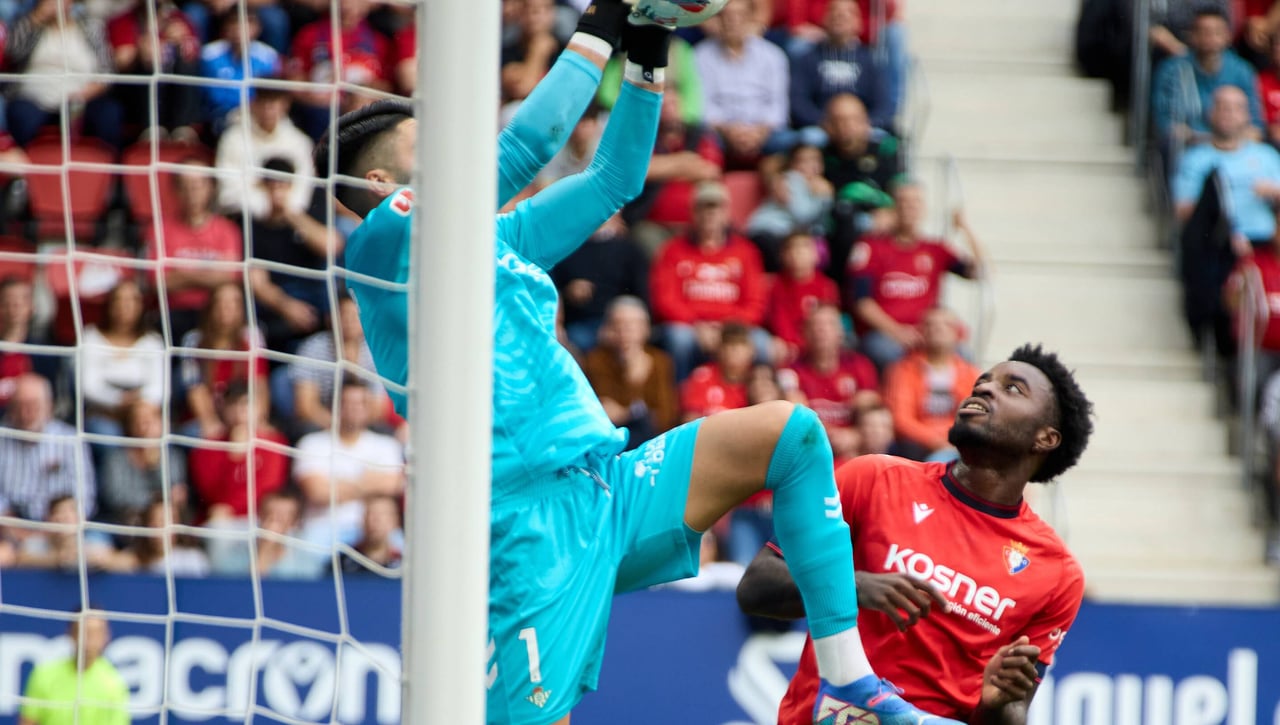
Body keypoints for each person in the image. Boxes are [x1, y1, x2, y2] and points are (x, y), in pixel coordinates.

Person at [320, 3, 961, 723]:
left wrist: (648, 52)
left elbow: (612, 182)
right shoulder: (380, 246)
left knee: (792, 433)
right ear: (380, 182)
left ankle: (846, 676)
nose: (444, 151)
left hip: (606, 489)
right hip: (522, 527)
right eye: (422, 146)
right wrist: (604, 19)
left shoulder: (494, 238)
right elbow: (529, 145)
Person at [737, 344, 1095, 724]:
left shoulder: (1056, 574)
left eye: (1012, 389)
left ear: (1045, 438)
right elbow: (756, 587)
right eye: (983, 381)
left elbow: (1011, 713)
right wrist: (852, 586)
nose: (985, 388)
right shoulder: (872, 479)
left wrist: (995, 702)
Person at [850, 191, 985, 370]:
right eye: (903, 202)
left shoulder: (935, 249)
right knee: (885, 353)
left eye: (915, 203)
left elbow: (979, 271)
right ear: (894, 209)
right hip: (887, 333)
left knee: (963, 355)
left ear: (923, 209)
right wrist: (897, 332)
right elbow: (862, 303)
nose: (909, 208)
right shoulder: (871, 247)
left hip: (928, 331)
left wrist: (964, 228)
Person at [650, 179, 771, 380]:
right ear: (693, 213)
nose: (710, 215)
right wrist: (697, 325)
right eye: (703, 208)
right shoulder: (673, 250)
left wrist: (728, 328)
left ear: (726, 213)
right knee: (679, 339)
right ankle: (683, 403)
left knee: (762, 344)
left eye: (715, 208)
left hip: (734, 328)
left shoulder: (746, 251)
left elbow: (756, 303)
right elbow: (665, 300)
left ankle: (753, 400)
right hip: (691, 327)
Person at [293, 379, 404, 547]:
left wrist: (337, 485)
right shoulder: (311, 443)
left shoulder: (387, 445)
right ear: (333, 406)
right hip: (323, 529)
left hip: (378, 530)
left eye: (361, 403)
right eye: (348, 402)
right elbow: (316, 492)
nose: (354, 408)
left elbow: (393, 485)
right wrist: (368, 483)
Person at [1174, 85, 1280, 251]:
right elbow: (1183, 210)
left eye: (1236, 108)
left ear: (1247, 116)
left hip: (1265, 243)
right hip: (1214, 245)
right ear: (1211, 113)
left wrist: (1274, 192)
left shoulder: (1267, 155)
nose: (1229, 114)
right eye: (1222, 107)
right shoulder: (1194, 159)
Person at [693, 0, 791, 168]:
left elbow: (778, 107)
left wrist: (759, 132)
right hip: (720, 132)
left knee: (799, 143)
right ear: (718, 19)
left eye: (740, 16)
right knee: (699, 141)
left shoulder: (773, 55)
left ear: (751, 19)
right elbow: (703, 106)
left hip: (765, 132)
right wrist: (728, 130)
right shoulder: (701, 55)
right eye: (727, 16)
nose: (733, 21)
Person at [778, 304, 879, 460]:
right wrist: (830, 435)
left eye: (829, 324)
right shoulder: (791, 369)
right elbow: (798, 415)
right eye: (815, 325)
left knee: (877, 428)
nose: (821, 330)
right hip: (811, 446)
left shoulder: (860, 366)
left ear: (841, 332)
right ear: (804, 333)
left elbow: (872, 409)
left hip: (854, 446)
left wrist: (857, 434)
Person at [1152, 6, 1263, 146]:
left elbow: (1256, 129)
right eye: (1203, 32)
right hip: (1187, 150)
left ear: (1228, 36)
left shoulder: (1242, 71)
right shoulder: (1172, 70)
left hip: (1234, 150)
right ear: (1192, 35)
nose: (1210, 38)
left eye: (1217, 32)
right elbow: (1166, 125)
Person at [883, 307, 981, 462]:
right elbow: (901, 420)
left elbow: (977, 417)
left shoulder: (971, 373)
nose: (938, 329)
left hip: (957, 443)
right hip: (916, 445)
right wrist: (935, 441)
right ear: (922, 332)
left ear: (958, 334)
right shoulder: (903, 370)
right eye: (931, 325)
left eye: (946, 325)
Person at [583, 295, 679, 447]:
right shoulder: (595, 360)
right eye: (617, 325)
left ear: (646, 329)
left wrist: (628, 411)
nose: (624, 332)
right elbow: (604, 410)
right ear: (606, 330)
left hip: (651, 444)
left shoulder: (660, 361)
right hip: (610, 442)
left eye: (632, 325)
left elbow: (664, 418)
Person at [0, 374, 95, 522]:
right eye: (19, 406)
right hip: (10, 527)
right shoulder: (2, 437)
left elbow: (85, 498)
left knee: (97, 542)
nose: (26, 414)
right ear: (10, 409)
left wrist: (60, 521)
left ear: (49, 406)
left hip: (61, 526)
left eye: (33, 405)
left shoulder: (70, 441)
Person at [80, 279, 165, 442]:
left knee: (150, 432)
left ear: (141, 305)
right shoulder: (90, 337)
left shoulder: (152, 341)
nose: (124, 306)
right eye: (119, 299)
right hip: (103, 413)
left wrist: (137, 406)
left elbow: (159, 389)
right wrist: (118, 400)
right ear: (109, 304)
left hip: (143, 411)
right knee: (106, 435)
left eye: (131, 300)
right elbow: (88, 386)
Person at [789, 0, 891, 136]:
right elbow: (798, 101)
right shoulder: (808, 59)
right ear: (824, 19)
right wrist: (825, 123)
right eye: (834, 11)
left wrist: (862, 124)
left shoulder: (870, 61)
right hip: (821, 127)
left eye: (848, 13)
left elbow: (884, 104)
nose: (840, 16)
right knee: (810, 137)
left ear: (858, 23)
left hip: (860, 128)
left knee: (881, 138)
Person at [18, 612, 130, 725]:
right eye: (83, 632)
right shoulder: (43, 674)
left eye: (95, 634)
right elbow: (28, 721)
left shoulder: (114, 682)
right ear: (71, 634)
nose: (88, 641)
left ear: (106, 637)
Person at [747, 144, 835, 271]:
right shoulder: (792, 179)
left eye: (814, 160)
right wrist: (823, 198)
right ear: (793, 164)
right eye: (803, 161)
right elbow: (802, 215)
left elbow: (821, 224)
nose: (810, 166)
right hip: (767, 231)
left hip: (790, 235)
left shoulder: (818, 185)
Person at [765, 231, 840, 365]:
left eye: (804, 247)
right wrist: (794, 345)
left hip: (818, 344)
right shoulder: (776, 286)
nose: (797, 253)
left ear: (816, 254)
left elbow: (831, 321)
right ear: (783, 255)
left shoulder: (827, 286)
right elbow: (780, 322)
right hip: (789, 346)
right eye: (791, 248)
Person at [339, 492, 402, 574]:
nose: (376, 521)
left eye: (382, 515)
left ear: (395, 521)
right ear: (362, 520)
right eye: (370, 514)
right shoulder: (342, 563)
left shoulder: (403, 565)